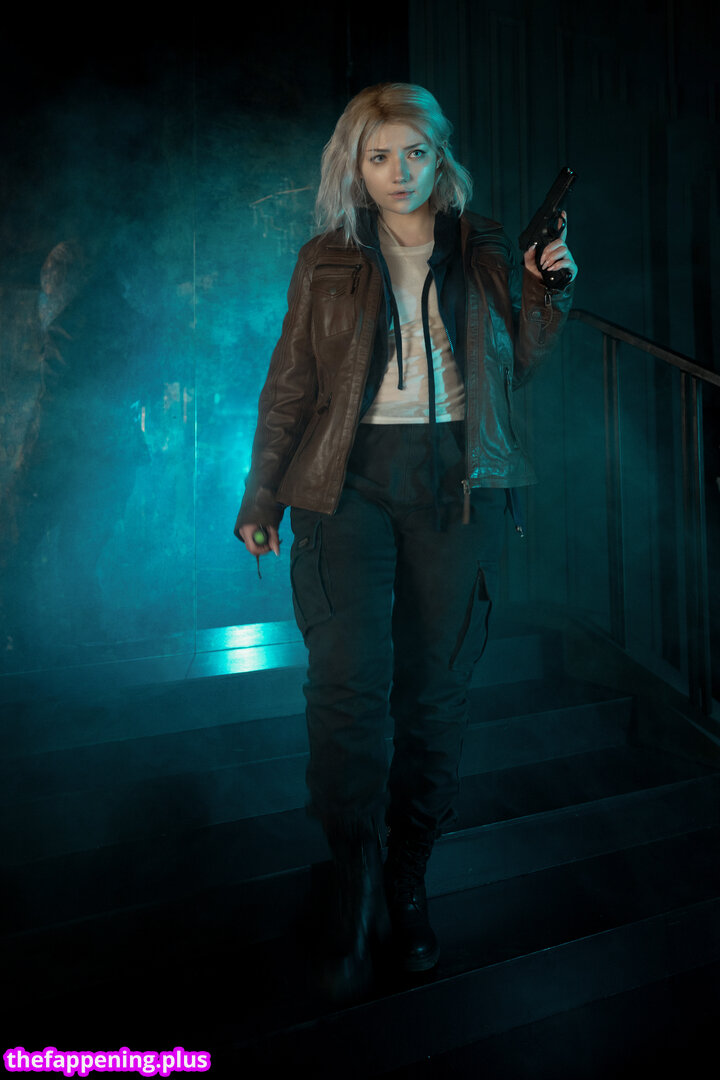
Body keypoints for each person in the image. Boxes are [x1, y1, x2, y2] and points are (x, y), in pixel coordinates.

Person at [234, 82, 577, 999]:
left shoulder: (483, 245)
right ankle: (353, 875)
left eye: (415, 153)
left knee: (437, 692)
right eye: (379, 155)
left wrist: (549, 288)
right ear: (355, 163)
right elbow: (290, 383)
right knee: (347, 684)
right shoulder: (326, 258)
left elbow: (520, 363)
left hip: (453, 483)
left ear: (439, 158)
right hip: (345, 482)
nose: (398, 172)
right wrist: (262, 494)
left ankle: (407, 876)